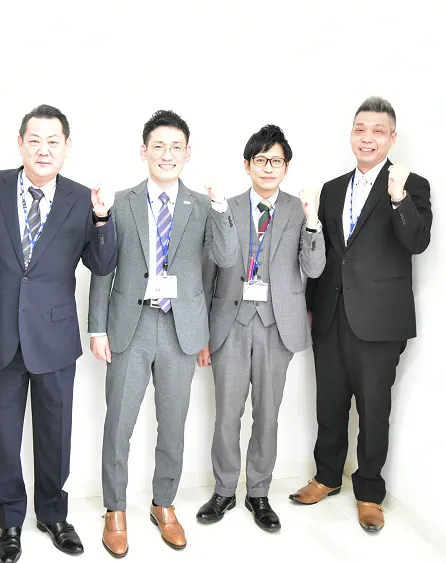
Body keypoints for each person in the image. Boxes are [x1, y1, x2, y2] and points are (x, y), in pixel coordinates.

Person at [0, 104, 117, 563]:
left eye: (53, 141)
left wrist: (102, 220)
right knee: (2, 435)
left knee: (55, 432)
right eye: (35, 140)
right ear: (20, 143)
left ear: (66, 147)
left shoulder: (81, 198)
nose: (43, 149)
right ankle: (9, 521)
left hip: (54, 337)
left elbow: (102, 264)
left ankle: (53, 515)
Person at [88, 109, 238, 557]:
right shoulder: (121, 202)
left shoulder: (202, 206)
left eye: (176, 147)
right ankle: (115, 509)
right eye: (159, 146)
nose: (167, 155)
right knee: (119, 423)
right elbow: (103, 269)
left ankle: (163, 504)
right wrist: (97, 327)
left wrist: (221, 208)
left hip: (180, 329)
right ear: (144, 151)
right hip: (129, 327)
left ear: (188, 153)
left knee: (173, 424)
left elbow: (227, 258)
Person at [291, 96, 432, 532]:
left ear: (392, 138)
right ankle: (327, 476)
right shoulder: (333, 189)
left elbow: (417, 242)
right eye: (360, 129)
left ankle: (369, 493)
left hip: (379, 320)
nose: (367, 138)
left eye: (377, 131)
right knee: (329, 403)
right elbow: (326, 254)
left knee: (373, 410)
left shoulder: (411, 185)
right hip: (331, 314)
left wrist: (398, 198)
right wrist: (311, 306)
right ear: (351, 135)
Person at [197, 124, 325, 532]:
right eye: (261, 160)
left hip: (277, 325)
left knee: (268, 415)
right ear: (247, 165)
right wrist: (202, 333)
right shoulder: (224, 208)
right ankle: (223, 491)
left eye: (276, 161)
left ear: (286, 167)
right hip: (229, 324)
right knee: (227, 414)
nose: (268, 168)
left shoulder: (298, 211)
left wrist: (313, 221)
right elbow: (207, 271)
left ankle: (258, 493)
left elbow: (314, 268)